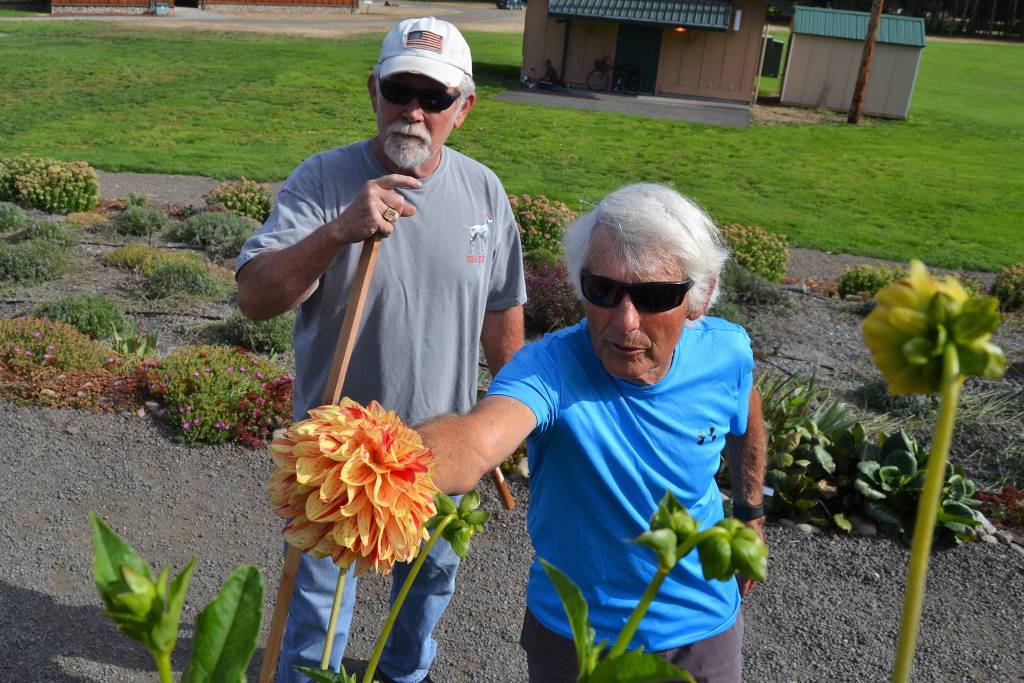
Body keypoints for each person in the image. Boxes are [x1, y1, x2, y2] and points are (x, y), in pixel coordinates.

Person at [235, 17, 527, 683]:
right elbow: (255, 297)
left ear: (466, 107)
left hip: (442, 456)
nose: (415, 112)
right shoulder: (324, 180)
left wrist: (508, 424)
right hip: (334, 462)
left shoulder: (485, 193)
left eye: (436, 97)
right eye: (400, 90)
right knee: (315, 619)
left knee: (423, 604)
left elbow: (502, 316)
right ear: (373, 90)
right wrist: (339, 229)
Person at [417, 183, 767, 683]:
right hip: (578, 640)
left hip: (701, 631)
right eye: (603, 290)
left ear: (699, 297)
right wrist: (380, 461)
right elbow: (474, 442)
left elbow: (746, 417)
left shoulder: (727, 351)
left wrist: (751, 508)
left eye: (653, 297)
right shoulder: (549, 370)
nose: (624, 322)